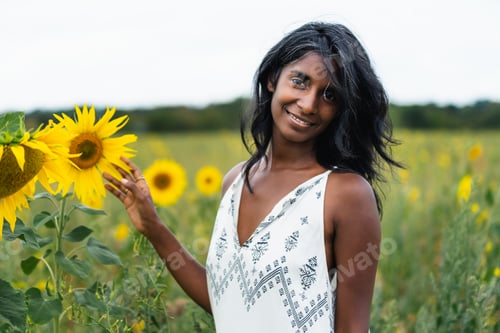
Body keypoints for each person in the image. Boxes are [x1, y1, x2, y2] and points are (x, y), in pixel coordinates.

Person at [103, 21, 401, 332]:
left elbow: (353, 327)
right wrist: (153, 227)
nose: (310, 104)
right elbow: (226, 302)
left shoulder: (345, 193)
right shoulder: (235, 181)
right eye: (300, 81)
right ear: (273, 78)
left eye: (329, 95)